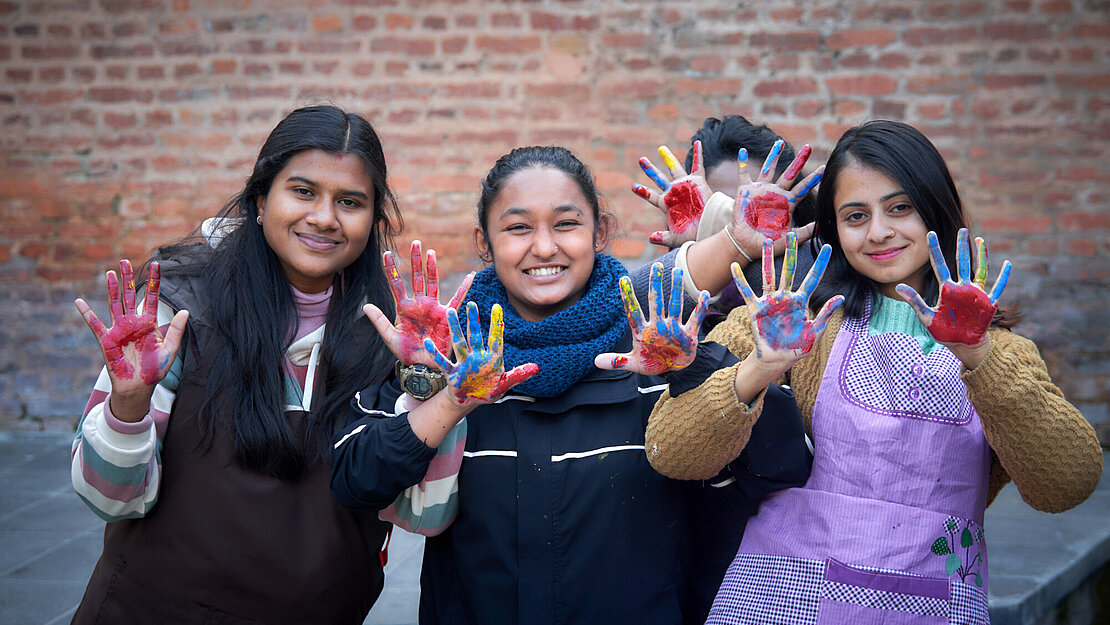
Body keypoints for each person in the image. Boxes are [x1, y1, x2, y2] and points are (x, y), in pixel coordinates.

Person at [643, 120, 1103, 624]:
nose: (880, 232)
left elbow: (1068, 486)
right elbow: (672, 453)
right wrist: (758, 368)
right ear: (834, 231)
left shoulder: (998, 350)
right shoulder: (788, 318)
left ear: (937, 208)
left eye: (900, 208)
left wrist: (979, 357)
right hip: (783, 603)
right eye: (856, 215)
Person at [330, 146, 813, 625]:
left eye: (566, 224)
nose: (543, 248)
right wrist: (451, 400)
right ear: (485, 241)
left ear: (599, 231)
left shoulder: (658, 346)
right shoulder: (452, 355)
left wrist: (691, 366)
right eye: (518, 227)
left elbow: (783, 465)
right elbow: (357, 480)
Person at [69, 105, 402, 624]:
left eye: (350, 201)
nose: (324, 217)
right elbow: (107, 497)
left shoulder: (388, 336)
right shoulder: (178, 308)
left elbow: (426, 515)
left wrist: (438, 397)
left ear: (373, 221)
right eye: (303, 191)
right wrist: (128, 405)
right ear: (260, 199)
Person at [633, 115, 823, 330]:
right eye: (722, 210)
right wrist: (706, 247)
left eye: (758, 212)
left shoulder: (828, 293)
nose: (739, 225)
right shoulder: (666, 305)